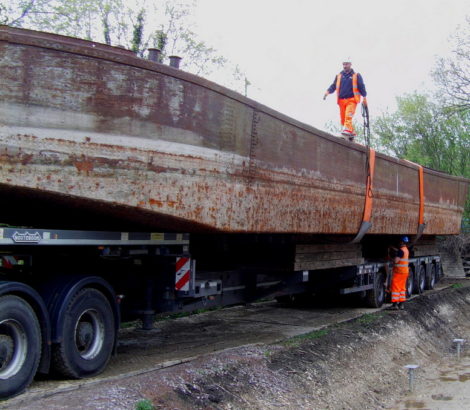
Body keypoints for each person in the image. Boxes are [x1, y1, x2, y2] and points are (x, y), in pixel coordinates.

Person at [323, 59, 367, 140]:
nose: (344, 66)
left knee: (348, 116)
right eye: (343, 64)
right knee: (343, 120)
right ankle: (351, 134)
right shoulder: (339, 76)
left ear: (350, 64)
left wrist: (364, 97)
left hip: (352, 100)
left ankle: (346, 132)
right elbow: (333, 86)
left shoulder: (356, 75)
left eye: (346, 64)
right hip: (341, 101)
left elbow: (361, 86)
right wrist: (327, 92)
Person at [389, 236, 410, 310]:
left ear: (401, 242)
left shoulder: (401, 251)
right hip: (404, 272)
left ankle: (395, 305)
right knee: (402, 288)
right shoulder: (406, 250)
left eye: (399, 241)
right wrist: (393, 248)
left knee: (395, 288)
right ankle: (401, 304)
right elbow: (400, 252)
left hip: (399, 272)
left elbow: (396, 261)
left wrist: (391, 258)